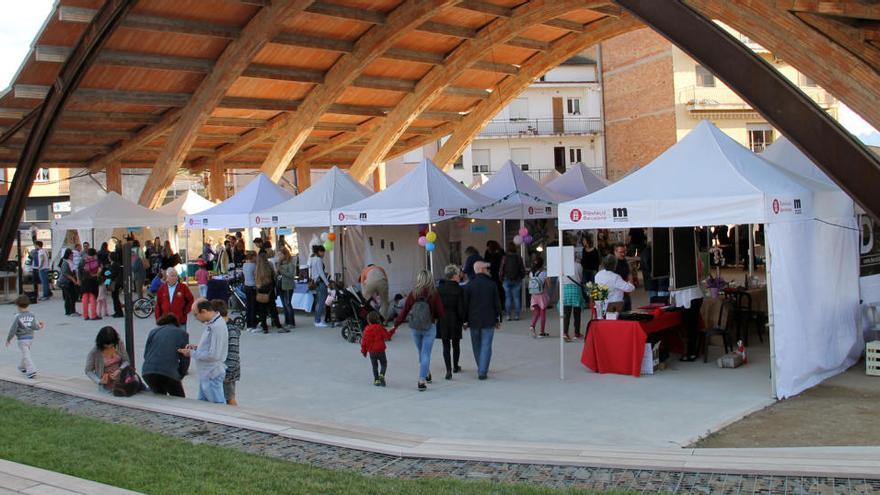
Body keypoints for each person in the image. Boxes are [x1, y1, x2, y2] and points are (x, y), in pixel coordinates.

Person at [392, 270, 444, 391]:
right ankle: (422, 380)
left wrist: (396, 324)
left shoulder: (413, 293)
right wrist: (434, 318)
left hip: (415, 328)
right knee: (426, 354)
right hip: (429, 327)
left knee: (421, 353)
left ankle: (426, 373)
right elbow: (441, 312)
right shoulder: (434, 293)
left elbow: (404, 311)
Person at [178, 299, 228, 404]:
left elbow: (214, 355)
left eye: (196, 315)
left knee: (218, 406)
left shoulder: (216, 326)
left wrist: (191, 353)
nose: (196, 318)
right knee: (202, 404)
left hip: (212, 373)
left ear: (204, 311)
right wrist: (197, 348)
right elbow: (210, 347)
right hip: (206, 373)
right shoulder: (212, 323)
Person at [463, 261, 502, 380]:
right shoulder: (491, 284)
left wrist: (464, 321)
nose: (488, 270)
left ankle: (481, 367)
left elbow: (465, 305)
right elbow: (497, 303)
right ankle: (482, 370)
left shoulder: (469, 285)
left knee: (476, 345)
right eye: (486, 268)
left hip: (473, 320)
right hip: (489, 319)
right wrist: (498, 318)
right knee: (486, 345)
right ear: (480, 269)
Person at [142, 313, 190, 397]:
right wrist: (180, 375)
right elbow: (185, 358)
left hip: (148, 372)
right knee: (179, 399)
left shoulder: (153, 332)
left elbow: (146, 354)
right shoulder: (182, 334)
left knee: (159, 396)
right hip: (168, 372)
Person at [436, 264, 465, 380]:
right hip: (455, 318)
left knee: (445, 345)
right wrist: (463, 320)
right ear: (453, 276)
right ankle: (455, 366)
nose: (460, 276)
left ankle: (448, 370)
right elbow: (461, 308)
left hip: (442, 319)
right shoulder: (459, 289)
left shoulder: (439, 289)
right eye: (458, 274)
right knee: (456, 344)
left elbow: (436, 305)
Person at [6, 295, 44, 379]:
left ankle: (31, 371)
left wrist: (9, 339)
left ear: (18, 306)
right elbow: (35, 326)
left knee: (26, 355)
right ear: (28, 305)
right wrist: (40, 326)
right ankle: (22, 367)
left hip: (22, 340)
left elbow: (13, 329)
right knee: (26, 353)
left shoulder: (17, 317)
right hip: (30, 339)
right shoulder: (32, 315)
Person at [211, 299, 240, 405]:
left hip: (228, 370)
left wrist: (228, 372)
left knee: (229, 397)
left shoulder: (230, 330)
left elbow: (233, 353)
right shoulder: (222, 327)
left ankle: (235, 416)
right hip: (224, 369)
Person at [84, 326, 129, 392]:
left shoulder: (119, 344)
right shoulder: (95, 352)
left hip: (122, 381)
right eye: (106, 345)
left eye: (111, 344)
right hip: (106, 384)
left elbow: (126, 361)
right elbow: (88, 370)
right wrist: (99, 381)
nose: (109, 346)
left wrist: (119, 370)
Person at [360, 311, 395, 386]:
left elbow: (364, 342)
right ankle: (382, 375)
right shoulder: (380, 328)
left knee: (374, 366)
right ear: (378, 320)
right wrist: (393, 330)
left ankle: (376, 380)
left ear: (368, 321)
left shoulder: (366, 330)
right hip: (381, 350)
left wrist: (364, 351)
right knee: (384, 363)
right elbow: (387, 336)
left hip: (372, 351)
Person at [254, 252, 284, 333]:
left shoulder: (257, 268)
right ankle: (278, 325)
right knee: (273, 309)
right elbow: (274, 276)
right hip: (269, 290)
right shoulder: (269, 265)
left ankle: (264, 327)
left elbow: (256, 280)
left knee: (262, 310)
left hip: (260, 290)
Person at [499, 242, 525, 321]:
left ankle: (508, 315)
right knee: (516, 298)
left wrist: (501, 279)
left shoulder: (504, 258)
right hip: (517, 280)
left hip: (506, 280)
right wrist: (521, 277)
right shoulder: (519, 257)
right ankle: (517, 315)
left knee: (508, 298)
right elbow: (522, 269)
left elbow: (501, 270)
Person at [562, 262, 585, 342]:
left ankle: (565, 333)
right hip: (576, 288)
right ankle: (577, 333)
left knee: (566, 313)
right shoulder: (578, 265)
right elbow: (581, 277)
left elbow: (559, 279)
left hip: (565, 289)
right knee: (577, 313)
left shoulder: (562, 265)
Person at [309, 245, 330, 328]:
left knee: (318, 302)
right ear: (319, 252)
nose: (324, 253)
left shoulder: (313, 259)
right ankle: (317, 321)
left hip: (316, 282)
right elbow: (321, 273)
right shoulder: (319, 260)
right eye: (323, 252)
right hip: (321, 282)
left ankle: (317, 320)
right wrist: (327, 283)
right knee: (321, 302)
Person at [528, 256, 549, 338]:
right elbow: (549, 285)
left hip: (533, 294)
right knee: (542, 313)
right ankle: (542, 331)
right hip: (541, 294)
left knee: (536, 312)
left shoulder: (531, 273)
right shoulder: (544, 273)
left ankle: (532, 325)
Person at [55, 249, 79, 317]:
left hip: (69, 281)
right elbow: (65, 273)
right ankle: (71, 311)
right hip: (65, 282)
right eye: (71, 255)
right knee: (70, 296)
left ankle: (69, 311)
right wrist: (74, 280)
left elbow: (74, 271)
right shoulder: (65, 262)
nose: (72, 256)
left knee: (70, 297)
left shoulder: (70, 262)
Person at [277, 248, 297, 329]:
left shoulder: (290, 263)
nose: (279, 256)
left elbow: (291, 275)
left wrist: (281, 270)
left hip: (288, 286)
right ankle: (286, 321)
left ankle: (291, 322)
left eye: (280, 254)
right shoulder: (280, 263)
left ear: (285, 254)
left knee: (288, 303)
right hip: (281, 285)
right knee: (284, 304)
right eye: (278, 255)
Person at [80, 248, 100, 321]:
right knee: (93, 298)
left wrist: (80, 279)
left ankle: (85, 315)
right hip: (93, 280)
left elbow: (79, 270)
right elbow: (99, 271)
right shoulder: (96, 261)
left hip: (84, 280)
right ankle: (93, 315)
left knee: (84, 298)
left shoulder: (83, 260)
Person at [483, 240, 505, 306]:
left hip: (492, 273)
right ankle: (502, 305)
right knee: (500, 290)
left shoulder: (488, 252)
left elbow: (486, 262)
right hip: (500, 273)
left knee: (494, 289)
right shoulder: (501, 251)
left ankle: (495, 304)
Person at [613, 243, 633, 311]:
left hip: (625, 293)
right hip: (616, 296)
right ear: (615, 252)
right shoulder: (612, 264)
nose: (623, 254)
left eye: (624, 252)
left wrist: (630, 284)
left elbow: (629, 273)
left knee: (628, 315)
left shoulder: (624, 261)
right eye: (621, 252)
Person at [242, 252, 258, 331]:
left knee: (248, 305)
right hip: (253, 286)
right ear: (253, 257)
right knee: (253, 306)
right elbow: (256, 276)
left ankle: (248, 324)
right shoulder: (254, 266)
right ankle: (253, 324)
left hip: (246, 286)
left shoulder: (244, 265)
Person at [109, 250, 124, 318]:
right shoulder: (115, 264)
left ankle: (118, 312)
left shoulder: (114, 265)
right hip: (115, 282)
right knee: (115, 297)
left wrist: (107, 282)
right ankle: (117, 311)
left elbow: (111, 275)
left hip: (115, 283)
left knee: (115, 297)